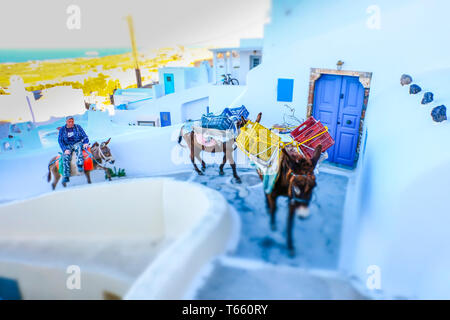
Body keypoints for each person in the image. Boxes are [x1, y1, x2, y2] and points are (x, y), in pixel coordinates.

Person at [58, 116, 89, 184]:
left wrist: (85, 143)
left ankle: (80, 164)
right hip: (67, 145)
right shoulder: (62, 129)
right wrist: (65, 149)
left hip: (77, 143)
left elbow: (85, 136)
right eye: (69, 122)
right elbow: (60, 141)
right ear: (66, 122)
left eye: (72, 121)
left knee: (78, 147)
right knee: (65, 156)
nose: (71, 123)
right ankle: (66, 175)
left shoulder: (78, 127)